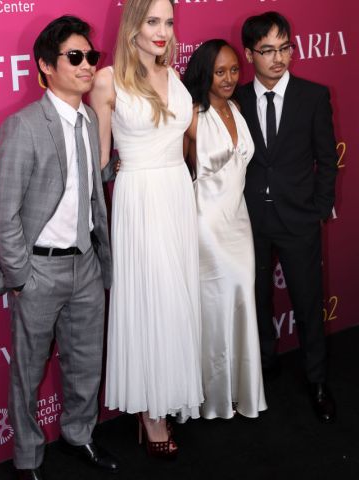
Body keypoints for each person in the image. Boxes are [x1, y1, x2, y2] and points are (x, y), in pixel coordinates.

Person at [0, 16, 119, 480]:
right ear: (45, 66)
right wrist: (20, 277)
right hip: (39, 271)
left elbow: (91, 188)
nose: (85, 66)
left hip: (86, 267)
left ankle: (79, 436)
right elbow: (3, 212)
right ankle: (28, 460)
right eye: (74, 57)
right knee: (27, 373)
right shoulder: (24, 126)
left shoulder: (90, 118)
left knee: (85, 365)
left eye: (90, 57)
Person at [90, 0, 203, 457]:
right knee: (150, 296)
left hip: (177, 194)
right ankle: (150, 412)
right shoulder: (105, 79)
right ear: (132, 26)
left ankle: (167, 392)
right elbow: (99, 160)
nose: (162, 31)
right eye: (153, 21)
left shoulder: (173, 75)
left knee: (175, 297)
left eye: (169, 22)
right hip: (139, 199)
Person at [238, 11, 338, 422]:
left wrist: (317, 207)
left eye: (285, 48)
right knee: (256, 299)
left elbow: (327, 160)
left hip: (298, 220)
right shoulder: (236, 99)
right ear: (249, 54)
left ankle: (317, 379)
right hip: (248, 222)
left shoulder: (314, 96)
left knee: (309, 303)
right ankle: (266, 363)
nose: (279, 58)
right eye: (267, 50)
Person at [183, 39, 267, 420]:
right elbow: (170, 165)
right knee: (215, 310)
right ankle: (212, 398)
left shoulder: (236, 107)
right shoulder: (190, 115)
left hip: (239, 221)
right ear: (205, 73)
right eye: (221, 71)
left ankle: (241, 391)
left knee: (243, 302)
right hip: (206, 226)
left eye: (234, 70)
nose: (230, 78)